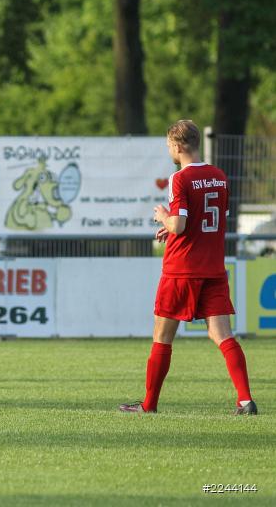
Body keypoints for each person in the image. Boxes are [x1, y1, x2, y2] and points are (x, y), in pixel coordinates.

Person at [119, 120, 256, 415]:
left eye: (169, 145)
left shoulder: (179, 179)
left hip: (181, 269)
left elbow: (180, 225)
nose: (168, 150)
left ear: (178, 146)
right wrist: (175, 226)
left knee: (162, 337)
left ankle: (149, 404)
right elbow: (213, 219)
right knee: (223, 335)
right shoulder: (219, 176)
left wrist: (163, 218)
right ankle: (245, 399)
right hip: (213, 269)